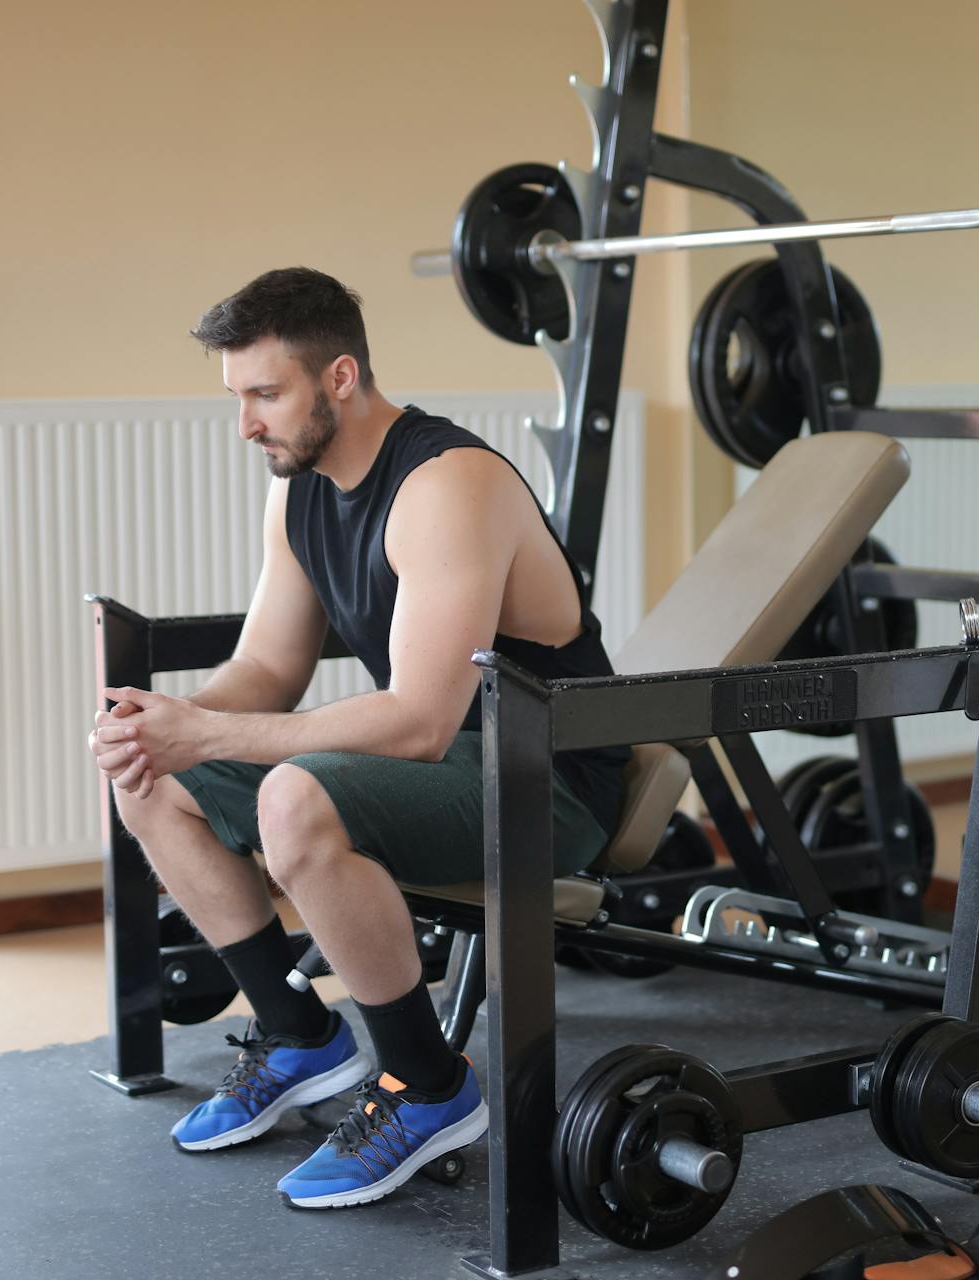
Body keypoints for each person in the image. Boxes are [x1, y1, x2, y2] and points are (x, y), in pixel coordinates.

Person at [85, 267, 629, 1208]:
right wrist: (168, 727)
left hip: (542, 771)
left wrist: (213, 730)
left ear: (340, 377)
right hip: (442, 760)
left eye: (265, 395)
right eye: (237, 397)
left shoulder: (448, 484)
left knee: (292, 793)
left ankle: (429, 1086)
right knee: (149, 776)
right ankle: (299, 1035)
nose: (247, 424)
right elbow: (267, 668)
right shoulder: (297, 494)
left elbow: (421, 720)